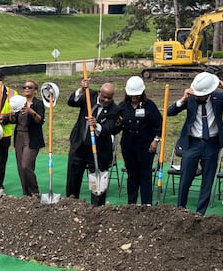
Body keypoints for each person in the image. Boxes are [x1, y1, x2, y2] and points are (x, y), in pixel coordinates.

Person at [167, 72, 223, 214]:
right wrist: (183, 99)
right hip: (192, 143)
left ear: (209, 92)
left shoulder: (218, 98)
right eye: (196, 94)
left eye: (201, 95)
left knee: (207, 180)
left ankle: (200, 213)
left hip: (211, 143)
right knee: (185, 178)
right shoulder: (190, 99)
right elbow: (169, 112)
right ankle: (180, 210)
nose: (198, 97)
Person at [66, 79, 121, 207]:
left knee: (97, 181)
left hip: (99, 150)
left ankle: (97, 209)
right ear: (100, 92)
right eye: (104, 97)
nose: (106, 100)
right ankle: (71, 204)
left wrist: (96, 125)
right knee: (73, 178)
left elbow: (109, 129)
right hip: (79, 145)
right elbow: (71, 102)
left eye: (109, 98)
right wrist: (81, 90)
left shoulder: (115, 109)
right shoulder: (88, 95)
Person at [116, 76, 163, 205]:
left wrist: (156, 140)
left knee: (145, 175)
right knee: (132, 175)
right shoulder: (122, 106)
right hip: (128, 146)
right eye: (132, 95)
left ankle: (146, 204)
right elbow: (116, 126)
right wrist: (118, 122)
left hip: (146, 146)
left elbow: (159, 124)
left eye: (137, 95)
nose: (134, 97)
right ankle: (131, 203)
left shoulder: (149, 106)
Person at [9, 79, 45, 197]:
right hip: (19, 136)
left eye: (30, 87)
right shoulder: (19, 103)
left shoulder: (38, 104)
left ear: (35, 90)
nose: (26, 89)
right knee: (21, 167)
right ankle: (26, 194)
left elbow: (40, 121)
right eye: (24, 87)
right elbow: (14, 120)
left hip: (32, 137)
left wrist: (31, 111)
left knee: (26, 165)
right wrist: (11, 116)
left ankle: (35, 192)